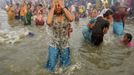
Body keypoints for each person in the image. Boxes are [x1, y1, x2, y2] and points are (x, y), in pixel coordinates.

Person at [45, 0, 73, 72]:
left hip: (64, 44)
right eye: (56, 6)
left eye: (59, 6)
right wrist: (53, 7)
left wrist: (62, 6)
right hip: (53, 43)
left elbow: (71, 19)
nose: (58, 7)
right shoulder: (51, 15)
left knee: (66, 66)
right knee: (51, 64)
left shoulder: (66, 15)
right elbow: (48, 22)